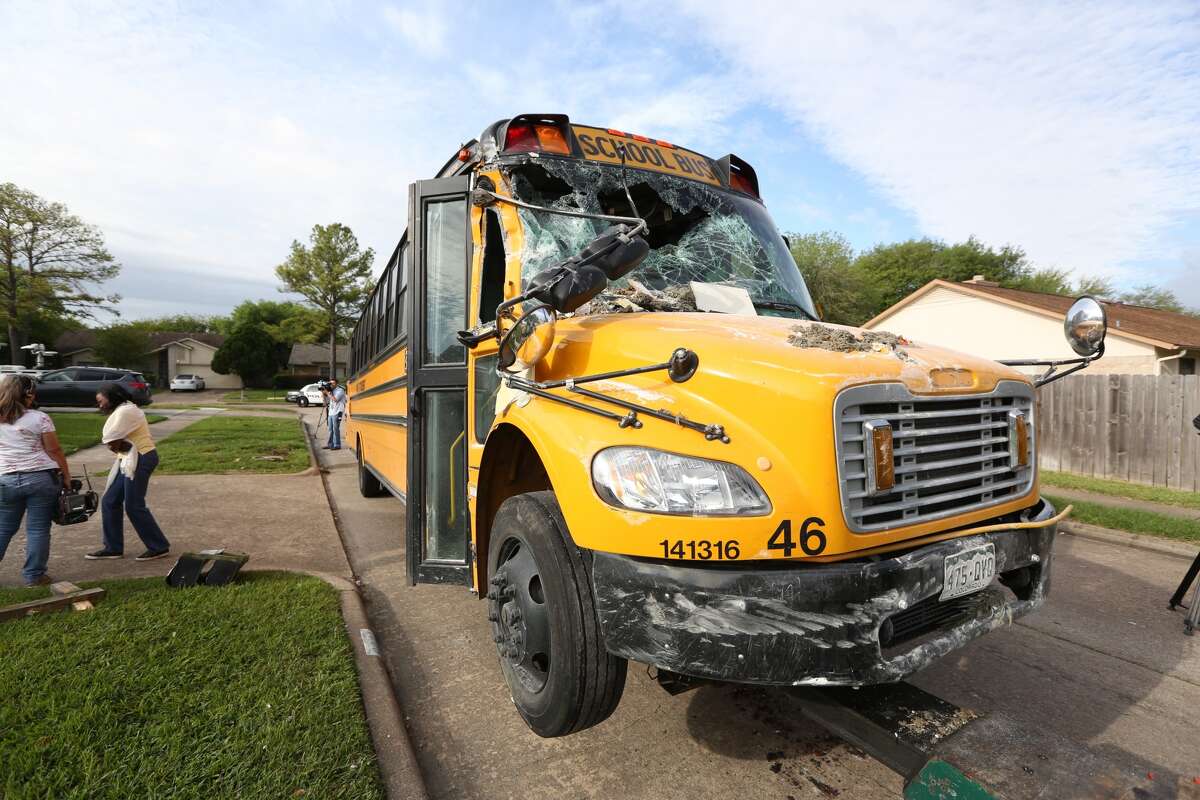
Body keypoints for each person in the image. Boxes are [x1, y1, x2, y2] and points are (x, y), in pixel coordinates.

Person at [85, 383, 170, 561]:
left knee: (134, 505)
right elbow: (112, 440)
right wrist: (115, 446)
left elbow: (110, 438)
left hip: (141, 457)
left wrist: (114, 446)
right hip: (129, 459)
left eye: (101, 401)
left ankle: (159, 546)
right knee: (110, 501)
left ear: (113, 398)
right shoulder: (123, 410)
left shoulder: (126, 411)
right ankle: (113, 548)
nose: (100, 405)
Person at [0, 375, 72, 586]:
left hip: (6, 480)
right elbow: (54, 450)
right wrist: (66, 476)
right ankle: (34, 576)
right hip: (41, 478)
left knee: (4, 528)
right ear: (29, 395)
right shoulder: (39, 418)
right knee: (38, 529)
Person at [324, 378, 347, 451]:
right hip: (331, 412)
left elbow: (335, 399)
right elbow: (325, 402)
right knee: (330, 429)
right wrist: (323, 393)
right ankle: (330, 444)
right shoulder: (331, 391)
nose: (331, 385)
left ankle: (337, 445)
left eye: (333, 383)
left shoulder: (340, 390)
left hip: (337, 412)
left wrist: (327, 393)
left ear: (336, 384)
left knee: (335, 428)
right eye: (330, 383)